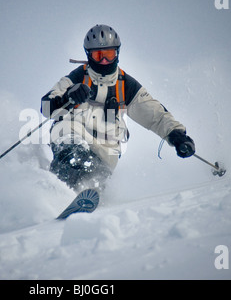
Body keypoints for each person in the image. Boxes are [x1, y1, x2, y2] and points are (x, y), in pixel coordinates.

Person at [41, 24, 195, 192]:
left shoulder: (125, 85)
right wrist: (67, 97)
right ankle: (56, 194)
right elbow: (47, 107)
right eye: (98, 55)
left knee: (95, 175)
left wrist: (177, 135)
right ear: (88, 55)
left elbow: (156, 116)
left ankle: (89, 195)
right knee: (73, 155)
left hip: (105, 149)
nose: (104, 61)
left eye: (109, 54)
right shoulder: (76, 78)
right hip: (73, 134)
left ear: (117, 53)